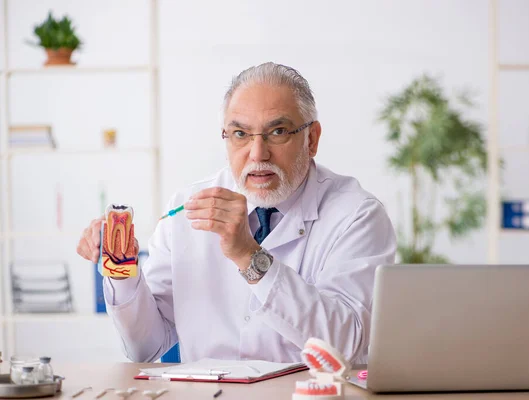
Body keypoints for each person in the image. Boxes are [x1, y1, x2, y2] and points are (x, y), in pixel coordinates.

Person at [76, 62, 396, 364]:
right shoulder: (186, 209)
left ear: (311, 139)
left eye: (278, 131)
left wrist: (248, 254)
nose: (258, 154)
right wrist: (121, 267)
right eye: (241, 134)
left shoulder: (357, 216)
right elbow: (144, 347)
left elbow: (346, 344)